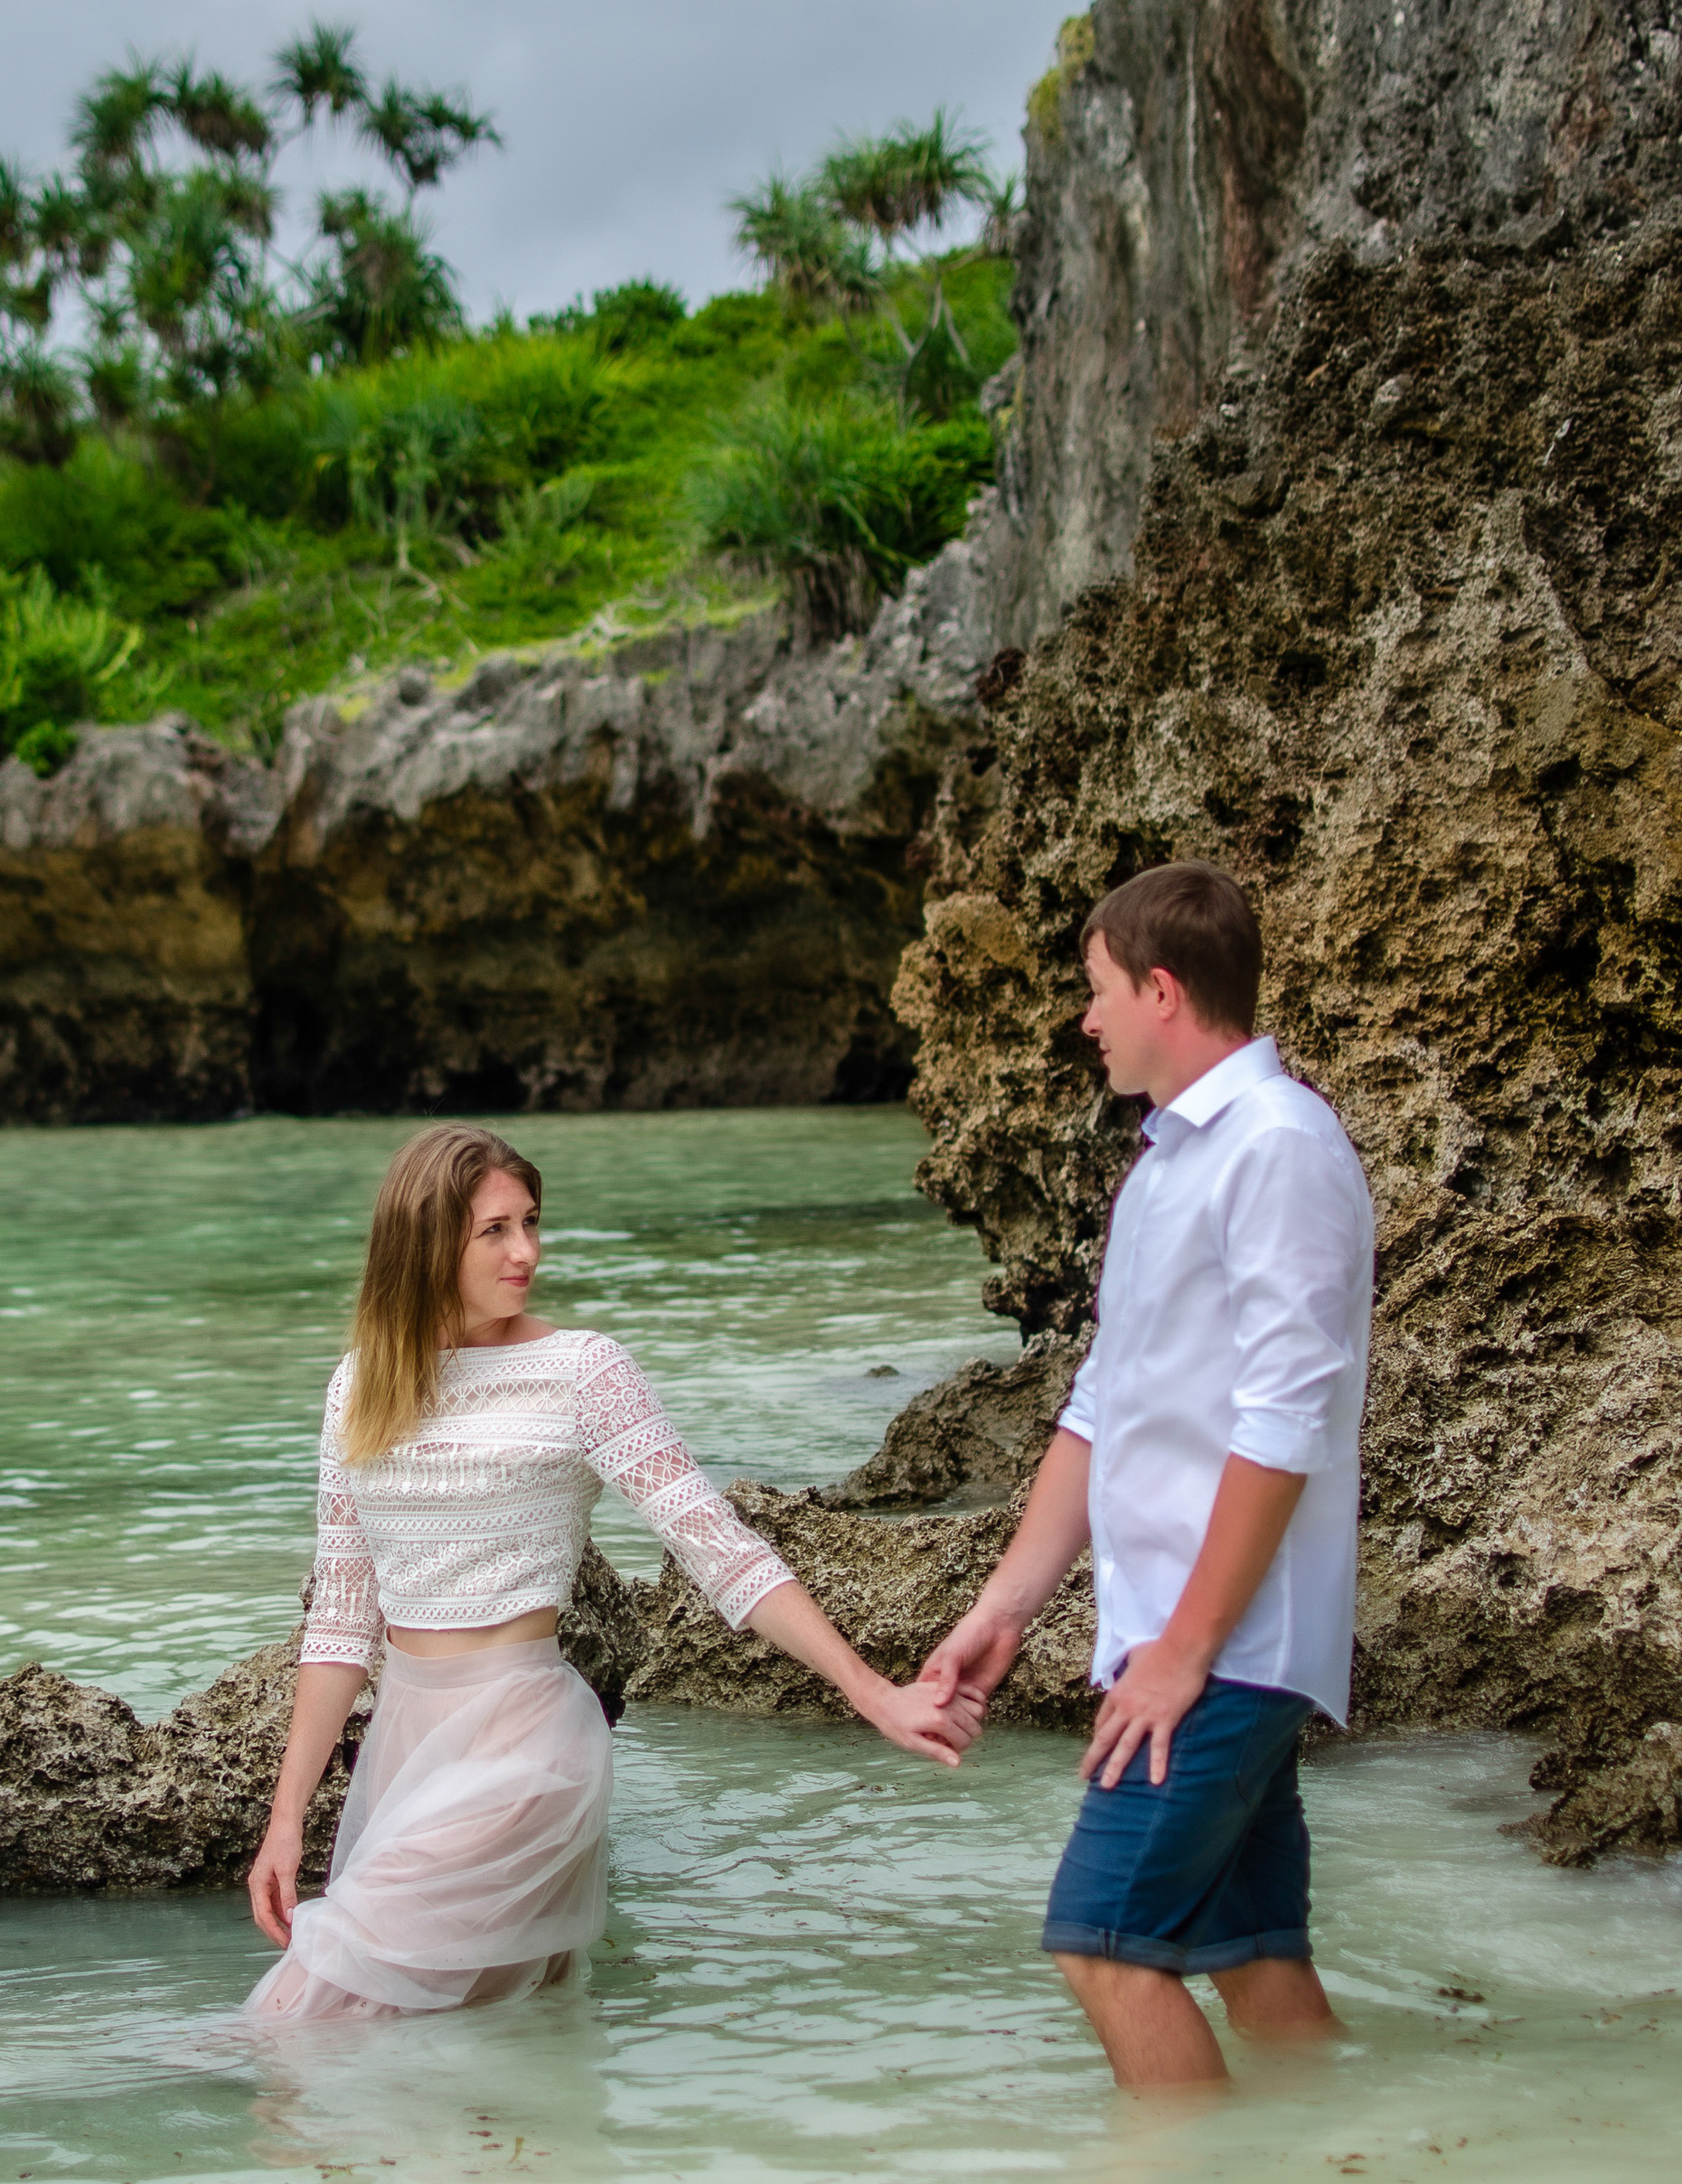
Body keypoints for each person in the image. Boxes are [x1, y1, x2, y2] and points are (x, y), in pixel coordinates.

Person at [246, 1121, 977, 2018]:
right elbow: (340, 1621)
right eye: (496, 1230)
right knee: (466, 2039)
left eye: (531, 1221)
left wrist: (871, 1692)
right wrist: (285, 1821)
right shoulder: (358, 1386)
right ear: (426, 1239)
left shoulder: (581, 1370)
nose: (527, 1251)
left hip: (528, 1742)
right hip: (406, 1745)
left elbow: (717, 1545)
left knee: (307, 2015)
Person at [915, 863, 1375, 2091]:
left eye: (1099, 990)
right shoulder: (1167, 1160)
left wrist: (1182, 1651)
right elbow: (1102, 1406)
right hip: (1184, 1641)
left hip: (1219, 1648)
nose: (1087, 1018)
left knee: (1103, 1945)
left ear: (1163, 990)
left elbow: (1287, 1423)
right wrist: (1005, 1607)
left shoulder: (1277, 1146)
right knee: (1252, 1956)